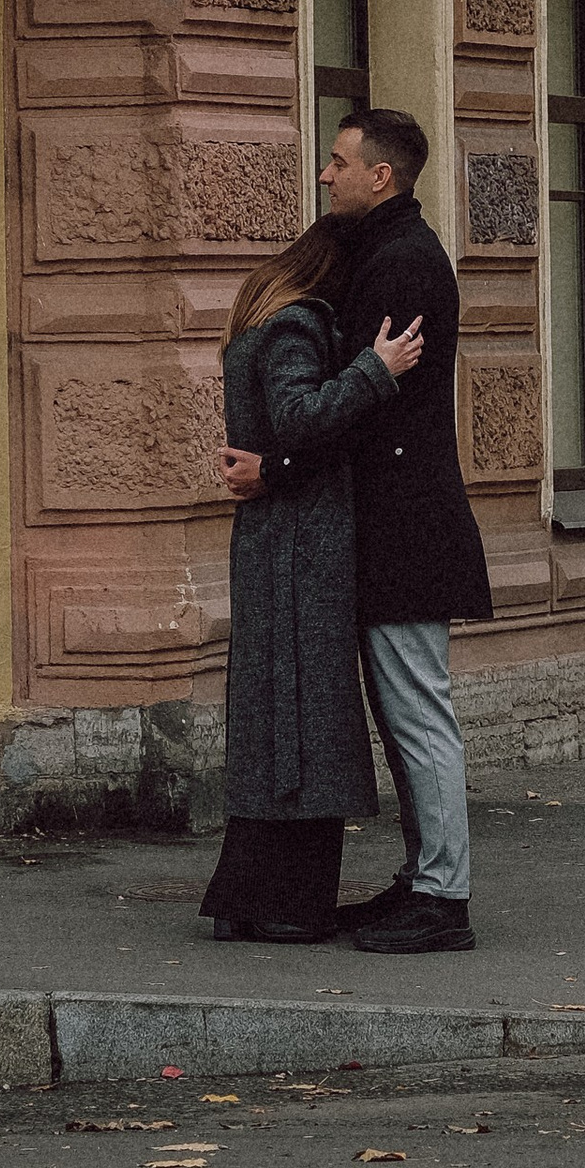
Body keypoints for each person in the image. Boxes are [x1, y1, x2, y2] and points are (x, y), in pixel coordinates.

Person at [222, 106, 493, 953]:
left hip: (405, 532)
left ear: (382, 175)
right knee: (407, 713)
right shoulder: (386, 254)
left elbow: (377, 420)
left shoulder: (399, 265)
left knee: (417, 716)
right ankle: (422, 879)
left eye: (338, 161)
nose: (325, 174)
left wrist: (278, 471)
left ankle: (443, 897)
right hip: (392, 529)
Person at [202, 218, 424, 945]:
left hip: (278, 541)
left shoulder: (263, 322)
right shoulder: (298, 325)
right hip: (302, 546)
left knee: (280, 712)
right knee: (303, 714)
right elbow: (299, 418)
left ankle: (253, 897)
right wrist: (374, 371)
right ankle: (285, 904)